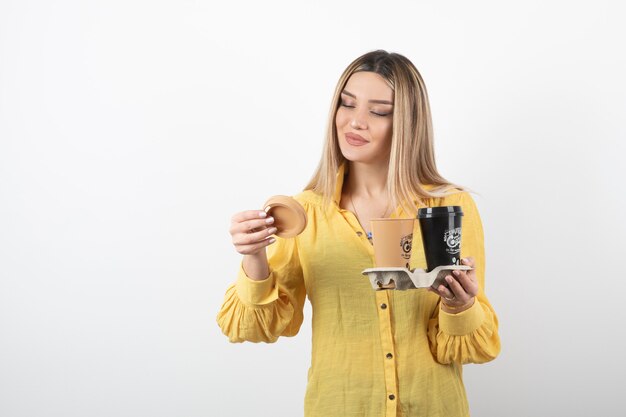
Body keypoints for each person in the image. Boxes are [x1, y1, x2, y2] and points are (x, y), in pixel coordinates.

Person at [216, 50, 500, 417]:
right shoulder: (305, 213)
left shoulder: (449, 208)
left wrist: (460, 306)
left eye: (379, 111)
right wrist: (254, 256)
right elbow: (257, 329)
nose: (356, 122)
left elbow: (470, 348)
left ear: (408, 124)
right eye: (347, 105)